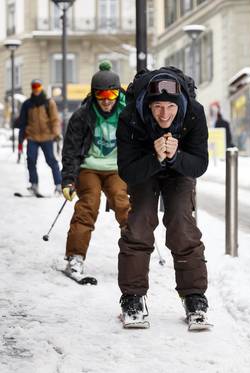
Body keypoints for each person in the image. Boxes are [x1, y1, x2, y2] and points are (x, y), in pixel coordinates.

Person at [116, 66, 210, 330]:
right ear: (148, 105)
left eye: (170, 108)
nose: (164, 114)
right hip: (145, 168)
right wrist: (156, 157)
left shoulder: (194, 114)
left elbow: (200, 164)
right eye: (158, 107)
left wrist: (176, 157)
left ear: (180, 104)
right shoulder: (130, 117)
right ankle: (132, 298)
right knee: (140, 222)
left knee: (181, 223)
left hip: (179, 172)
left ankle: (194, 297)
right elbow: (127, 170)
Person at [60, 61, 130, 279]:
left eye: (111, 95)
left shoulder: (129, 115)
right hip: (89, 167)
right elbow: (70, 150)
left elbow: (140, 145)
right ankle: (75, 257)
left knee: (122, 201)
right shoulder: (82, 116)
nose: (106, 101)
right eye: (101, 95)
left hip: (116, 168)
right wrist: (68, 180)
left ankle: (134, 255)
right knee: (89, 204)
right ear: (94, 94)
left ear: (118, 94)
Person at [17, 79, 62, 196]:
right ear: (32, 88)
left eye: (38, 86)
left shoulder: (48, 102)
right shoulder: (27, 104)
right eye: (34, 86)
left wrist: (56, 133)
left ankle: (59, 185)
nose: (36, 89)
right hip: (32, 136)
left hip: (47, 137)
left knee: (51, 161)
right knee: (31, 160)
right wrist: (21, 139)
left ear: (41, 87)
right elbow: (23, 122)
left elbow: (55, 119)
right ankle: (34, 184)